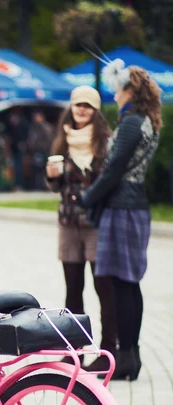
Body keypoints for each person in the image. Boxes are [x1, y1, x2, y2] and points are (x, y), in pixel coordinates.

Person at [79, 63, 162, 381]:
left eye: (117, 90)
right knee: (129, 284)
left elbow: (113, 171)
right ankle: (131, 355)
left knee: (120, 284)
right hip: (136, 207)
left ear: (130, 91)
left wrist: (87, 198)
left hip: (123, 210)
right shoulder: (148, 122)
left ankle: (127, 357)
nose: (114, 95)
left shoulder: (131, 123)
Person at [46, 86, 116, 372]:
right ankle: (75, 350)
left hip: (98, 224)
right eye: (78, 105)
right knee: (73, 290)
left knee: (104, 289)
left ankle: (108, 350)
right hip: (68, 224)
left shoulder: (105, 142)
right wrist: (52, 178)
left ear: (96, 110)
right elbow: (55, 187)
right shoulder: (62, 141)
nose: (82, 110)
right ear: (72, 108)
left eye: (88, 105)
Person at [28, 110, 55, 190]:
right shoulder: (34, 127)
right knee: (37, 169)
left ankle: (44, 186)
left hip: (43, 151)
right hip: (37, 151)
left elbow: (49, 139)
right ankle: (39, 186)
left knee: (43, 169)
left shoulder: (45, 127)